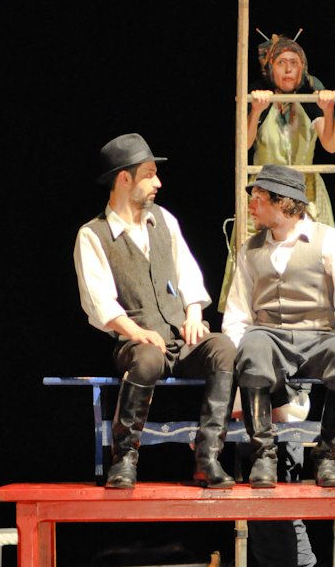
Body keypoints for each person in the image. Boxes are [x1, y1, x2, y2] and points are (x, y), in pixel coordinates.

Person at [222, 163, 335, 567]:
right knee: (250, 348)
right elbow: (237, 314)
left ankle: (328, 453)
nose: (252, 205)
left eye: (259, 198)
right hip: (269, 336)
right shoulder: (250, 249)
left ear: (283, 203)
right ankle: (264, 452)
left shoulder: (328, 240)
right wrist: (236, 365)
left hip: (317, 335)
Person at [74, 133, 237, 490]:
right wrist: (136, 332)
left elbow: (188, 273)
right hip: (136, 343)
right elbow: (98, 300)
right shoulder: (93, 234)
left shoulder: (163, 220)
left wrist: (193, 314)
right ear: (124, 178)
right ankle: (124, 459)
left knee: (223, 347)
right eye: (149, 174)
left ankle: (208, 456)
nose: (158, 182)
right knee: (147, 358)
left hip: (180, 339)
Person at [218, 33, 335, 312]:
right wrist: (255, 110)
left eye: (294, 63)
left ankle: (314, 312)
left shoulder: (310, 95)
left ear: (302, 68)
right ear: (271, 68)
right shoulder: (259, 92)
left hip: (305, 188)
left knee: (312, 253)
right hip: (265, 189)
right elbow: (243, 145)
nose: (287, 69)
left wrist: (329, 110)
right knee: (256, 254)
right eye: (281, 62)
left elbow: (331, 145)